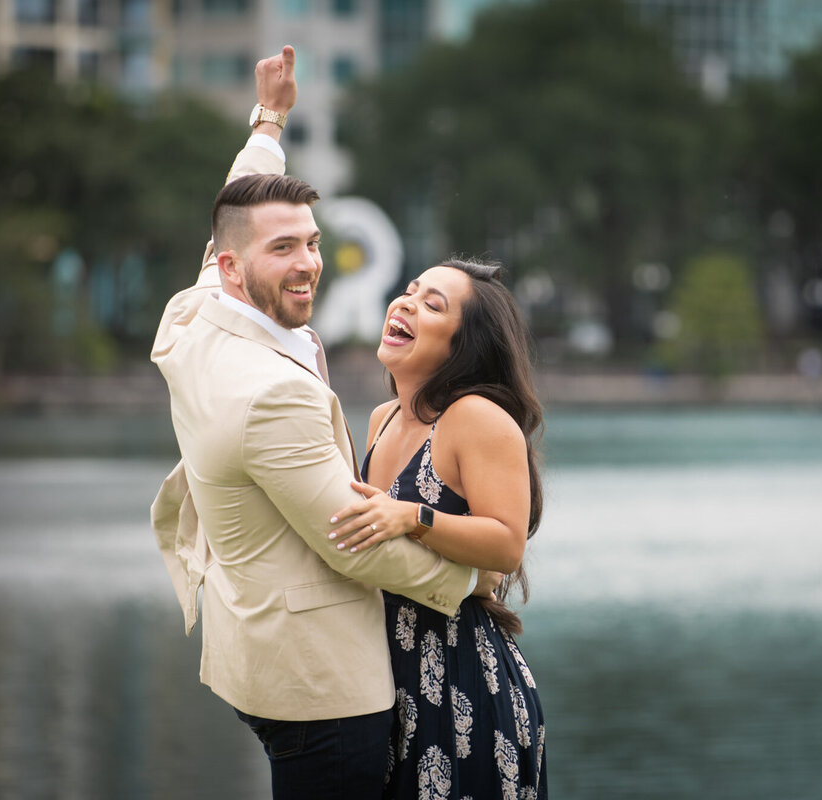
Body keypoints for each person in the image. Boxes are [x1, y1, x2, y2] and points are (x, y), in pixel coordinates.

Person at [149, 46, 500, 800]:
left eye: (311, 242)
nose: (308, 263)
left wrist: (269, 119)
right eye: (284, 250)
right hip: (324, 693)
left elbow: (235, 209)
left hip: (254, 650)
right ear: (237, 268)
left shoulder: (196, 314)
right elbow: (354, 546)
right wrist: (473, 577)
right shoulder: (271, 392)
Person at [327, 258, 548, 798]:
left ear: (463, 346)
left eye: (432, 304)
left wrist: (414, 516)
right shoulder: (381, 419)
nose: (404, 304)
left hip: (459, 681)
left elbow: (506, 546)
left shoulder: (476, 417)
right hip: (380, 683)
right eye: (408, 291)